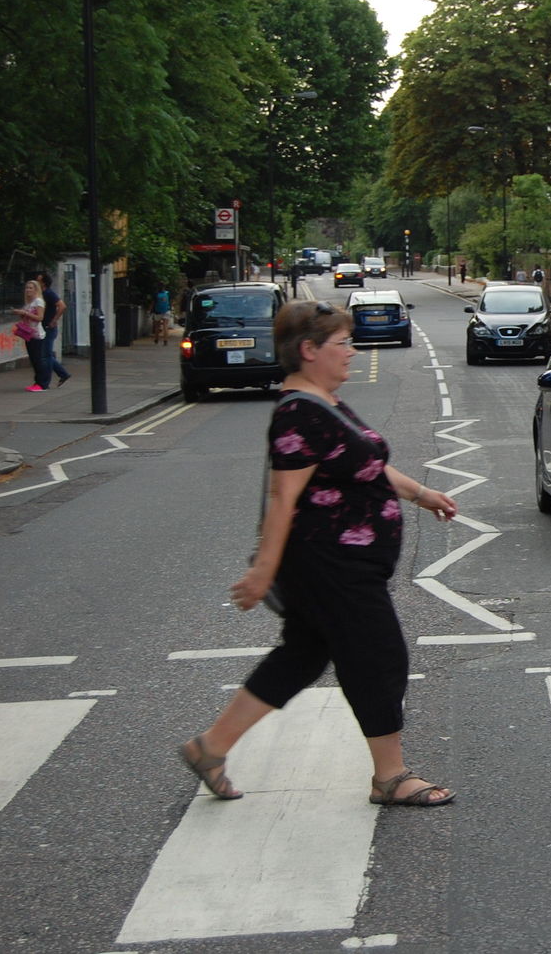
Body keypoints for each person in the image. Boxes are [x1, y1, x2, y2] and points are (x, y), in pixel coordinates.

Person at [179, 300, 460, 806]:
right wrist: (263, 573)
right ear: (309, 350)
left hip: (338, 564)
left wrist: (421, 494)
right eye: (342, 343)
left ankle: (211, 747)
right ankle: (390, 777)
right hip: (331, 565)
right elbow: (282, 499)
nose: (352, 351)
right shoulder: (298, 413)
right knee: (379, 658)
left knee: (302, 656)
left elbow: (365, 467)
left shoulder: (323, 402)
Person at [35, 273, 72, 388]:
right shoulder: (42, 294)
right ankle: (63, 374)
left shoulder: (48, 293)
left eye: (38, 281)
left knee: (46, 356)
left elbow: (62, 306)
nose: (36, 283)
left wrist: (54, 320)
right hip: (44, 327)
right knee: (47, 355)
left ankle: (45, 382)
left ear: (44, 283)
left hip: (48, 328)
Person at [11, 280, 48, 393]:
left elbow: (40, 317)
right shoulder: (29, 303)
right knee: (33, 359)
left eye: (31, 288)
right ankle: (37, 382)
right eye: (27, 288)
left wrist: (25, 313)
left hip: (37, 334)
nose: (28, 290)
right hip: (29, 333)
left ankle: (42, 383)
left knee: (37, 359)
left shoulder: (38, 302)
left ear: (36, 289)